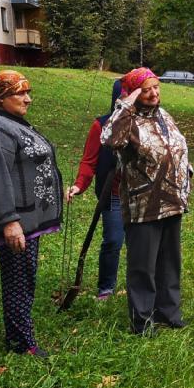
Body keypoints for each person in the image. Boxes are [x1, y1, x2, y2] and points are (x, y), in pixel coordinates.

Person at [0, 70, 62, 359]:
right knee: (18, 280)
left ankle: (20, 334)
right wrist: (9, 221)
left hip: (27, 219)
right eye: (20, 94)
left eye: (28, 92)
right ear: (0, 98)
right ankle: (21, 343)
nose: (28, 99)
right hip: (15, 222)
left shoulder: (9, 123)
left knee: (25, 277)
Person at [101, 67, 191, 336]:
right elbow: (108, 139)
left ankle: (169, 313)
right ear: (135, 92)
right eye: (146, 89)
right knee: (143, 266)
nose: (153, 94)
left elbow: (177, 148)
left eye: (156, 87)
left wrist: (186, 176)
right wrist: (125, 104)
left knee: (169, 262)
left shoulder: (164, 115)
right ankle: (142, 322)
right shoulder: (127, 121)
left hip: (172, 200)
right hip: (144, 205)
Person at [66, 79, 124, 300]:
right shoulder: (101, 125)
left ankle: (141, 287)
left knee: (142, 245)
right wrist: (79, 185)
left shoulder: (149, 123)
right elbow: (89, 161)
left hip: (143, 195)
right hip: (113, 193)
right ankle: (106, 288)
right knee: (113, 240)